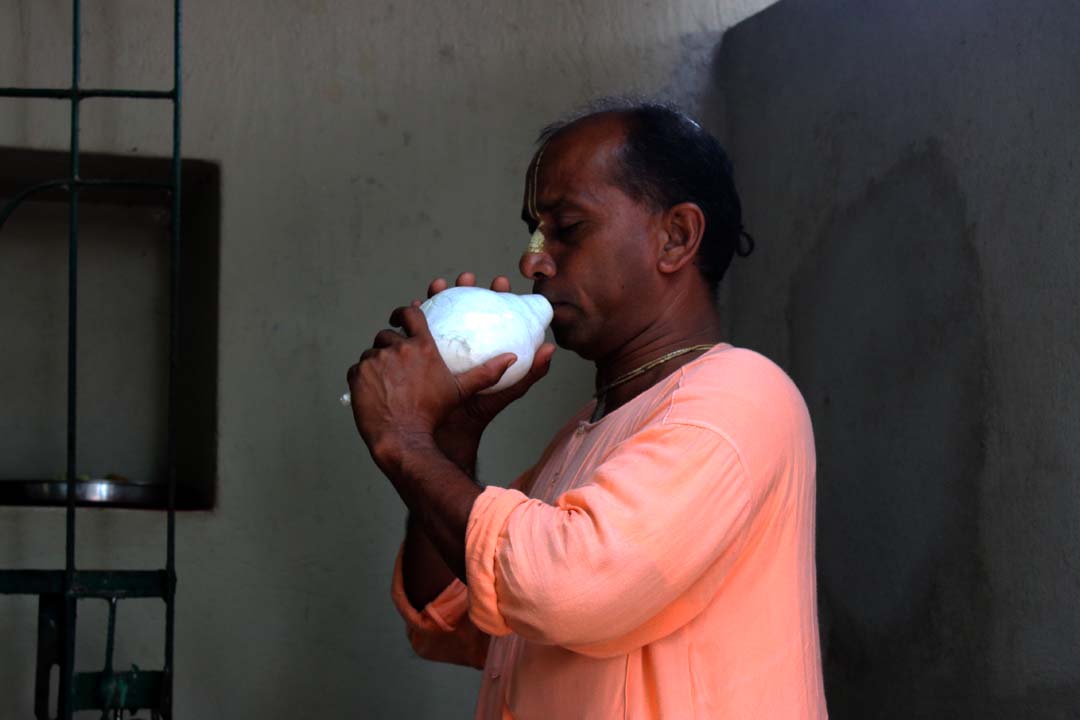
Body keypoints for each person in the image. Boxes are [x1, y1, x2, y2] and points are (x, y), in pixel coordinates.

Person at [346, 101, 828, 718]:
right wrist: (448, 442)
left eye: (567, 229)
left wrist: (403, 441)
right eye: (535, 231)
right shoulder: (586, 432)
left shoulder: (740, 396)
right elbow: (452, 615)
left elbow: (562, 587)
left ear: (675, 237)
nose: (533, 259)